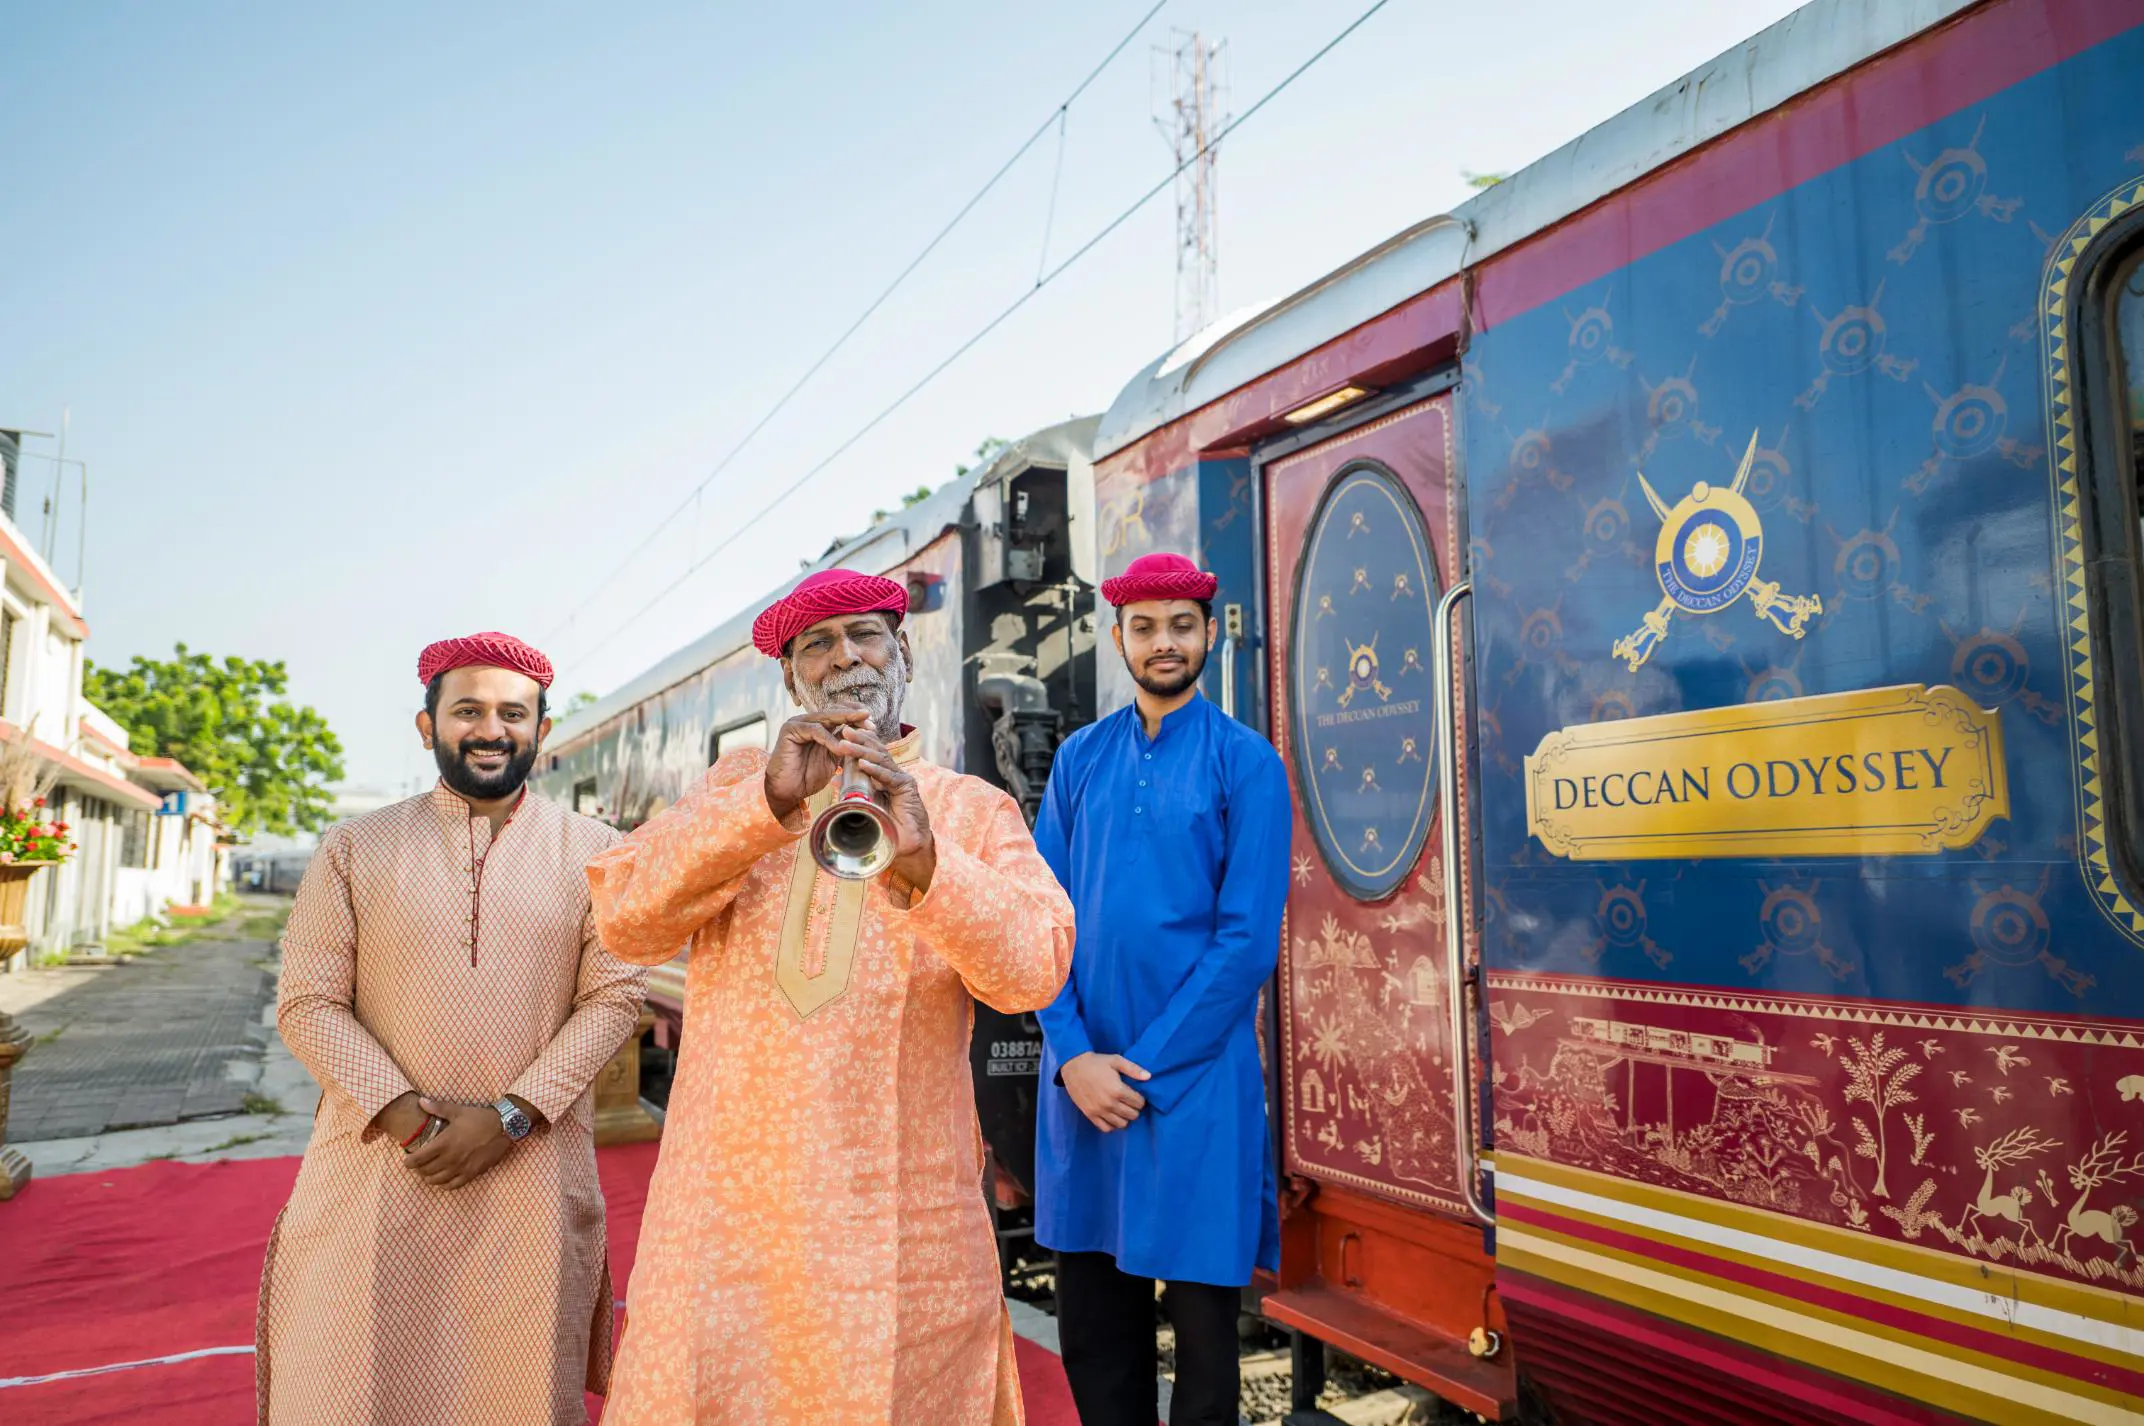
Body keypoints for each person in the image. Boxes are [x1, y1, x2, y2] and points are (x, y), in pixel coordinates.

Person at [586, 568, 1076, 1425]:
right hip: (728, 1223)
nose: (844, 656)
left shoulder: (971, 808)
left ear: (904, 652)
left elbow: (1036, 968)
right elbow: (626, 923)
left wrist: (930, 863)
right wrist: (766, 806)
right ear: (790, 678)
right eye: (817, 643)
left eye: (865, 635)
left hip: (901, 1228)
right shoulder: (738, 787)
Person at [256, 632, 648, 1426]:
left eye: (514, 712)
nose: (491, 728)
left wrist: (509, 1118)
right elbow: (306, 1001)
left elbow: (613, 998)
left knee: (517, 1393)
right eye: (467, 709)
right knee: (348, 1386)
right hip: (376, 1176)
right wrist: (409, 1119)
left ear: (542, 728)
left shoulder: (600, 853)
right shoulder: (353, 848)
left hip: (531, 1179)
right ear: (427, 724)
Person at [1032, 552, 1292, 1426]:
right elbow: (1042, 923)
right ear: (1118, 639)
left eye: (1182, 624)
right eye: (1144, 627)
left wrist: (1135, 1069)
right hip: (1084, 1080)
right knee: (1096, 1333)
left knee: (1207, 1340)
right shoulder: (1079, 760)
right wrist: (1073, 1060)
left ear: (1210, 632)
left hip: (1195, 1083)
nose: (1164, 642)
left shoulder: (1246, 763)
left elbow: (1247, 938)